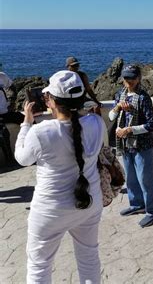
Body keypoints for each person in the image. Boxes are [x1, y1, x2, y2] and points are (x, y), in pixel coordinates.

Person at [15, 70, 105, 283]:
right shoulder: (96, 123)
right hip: (89, 202)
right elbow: (75, 125)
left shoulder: (41, 132)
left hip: (50, 211)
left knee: (39, 267)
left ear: (52, 101)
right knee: (89, 259)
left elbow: (22, 158)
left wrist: (27, 123)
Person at [109, 65, 153, 227]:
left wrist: (130, 130)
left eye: (131, 78)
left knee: (145, 180)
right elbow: (111, 117)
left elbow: (152, 124)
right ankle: (137, 204)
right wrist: (117, 108)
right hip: (126, 145)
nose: (128, 81)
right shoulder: (120, 95)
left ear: (138, 78)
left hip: (142, 146)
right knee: (131, 178)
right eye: (126, 78)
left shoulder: (143, 98)